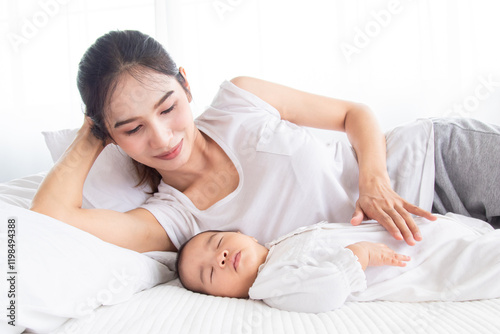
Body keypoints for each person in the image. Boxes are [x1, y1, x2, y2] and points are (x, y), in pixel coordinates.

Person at [30, 30, 500, 254]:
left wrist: (373, 181)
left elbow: (355, 114)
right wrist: (93, 131)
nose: (163, 136)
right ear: (110, 135)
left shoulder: (240, 100)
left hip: (436, 161)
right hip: (431, 236)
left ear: (186, 86)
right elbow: (51, 219)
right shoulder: (172, 217)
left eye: (168, 107)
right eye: (131, 128)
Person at [175, 214, 500, 313]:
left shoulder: (279, 245)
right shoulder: (269, 283)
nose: (218, 258)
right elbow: (324, 292)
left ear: (243, 234)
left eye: (217, 243)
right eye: (209, 273)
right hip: (428, 265)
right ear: (227, 298)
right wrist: (359, 256)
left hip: (431, 235)